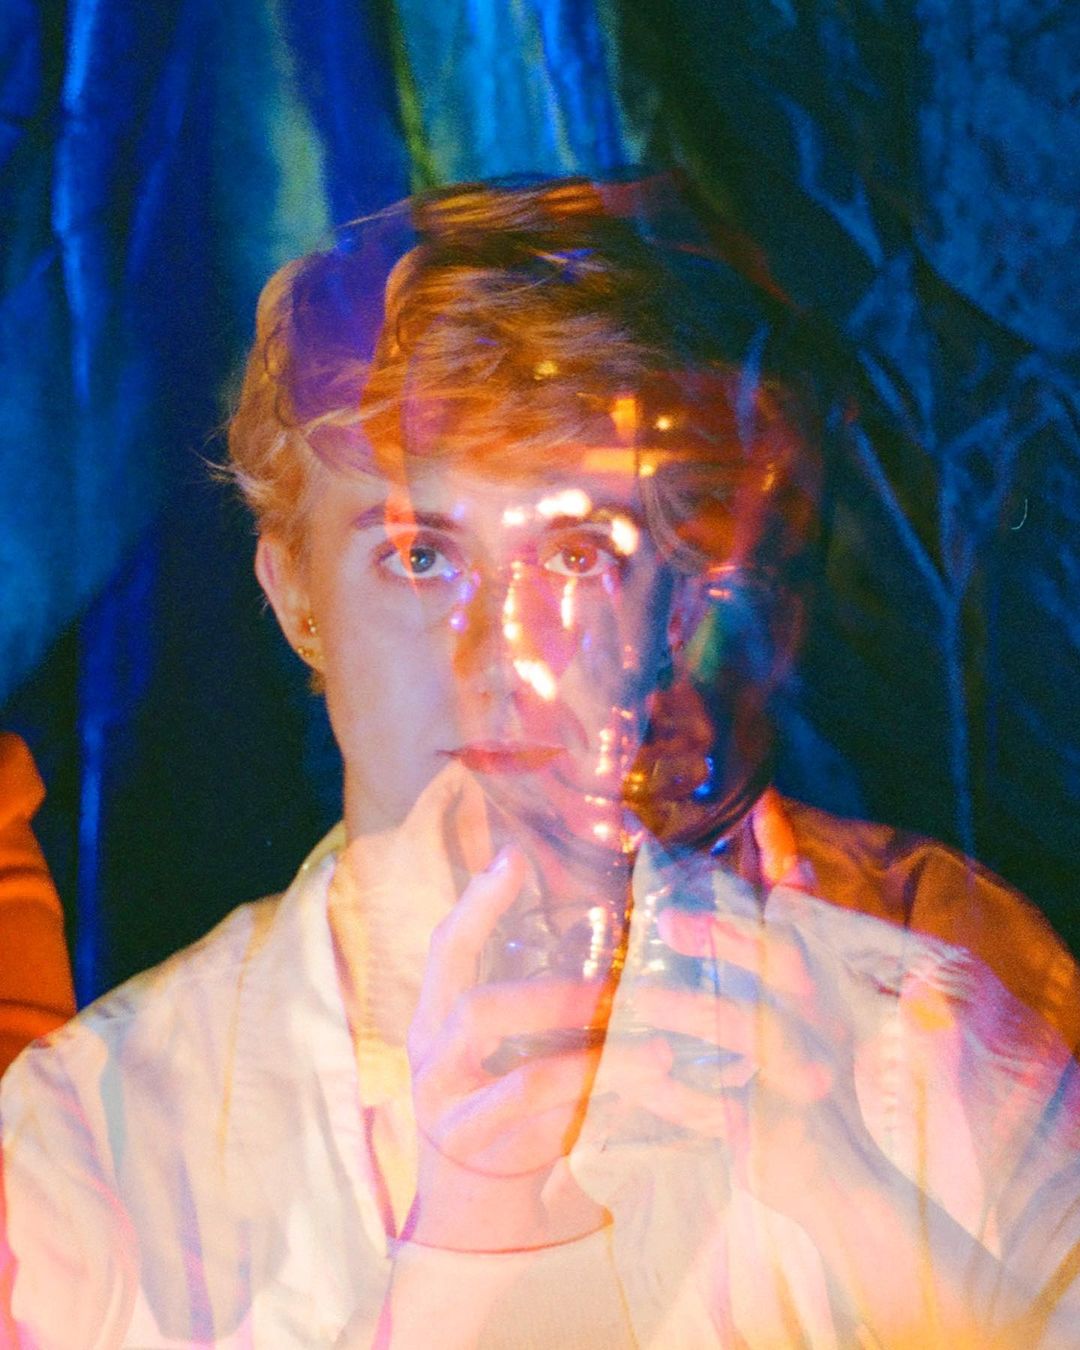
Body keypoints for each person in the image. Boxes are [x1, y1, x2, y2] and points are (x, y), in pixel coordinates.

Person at [2, 175, 1079, 1348]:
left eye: (572, 554)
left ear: (683, 590)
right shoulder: (96, 1140)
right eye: (421, 557)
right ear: (295, 592)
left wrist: (870, 1223)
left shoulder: (937, 1003)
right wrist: (470, 1247)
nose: (498, 650)